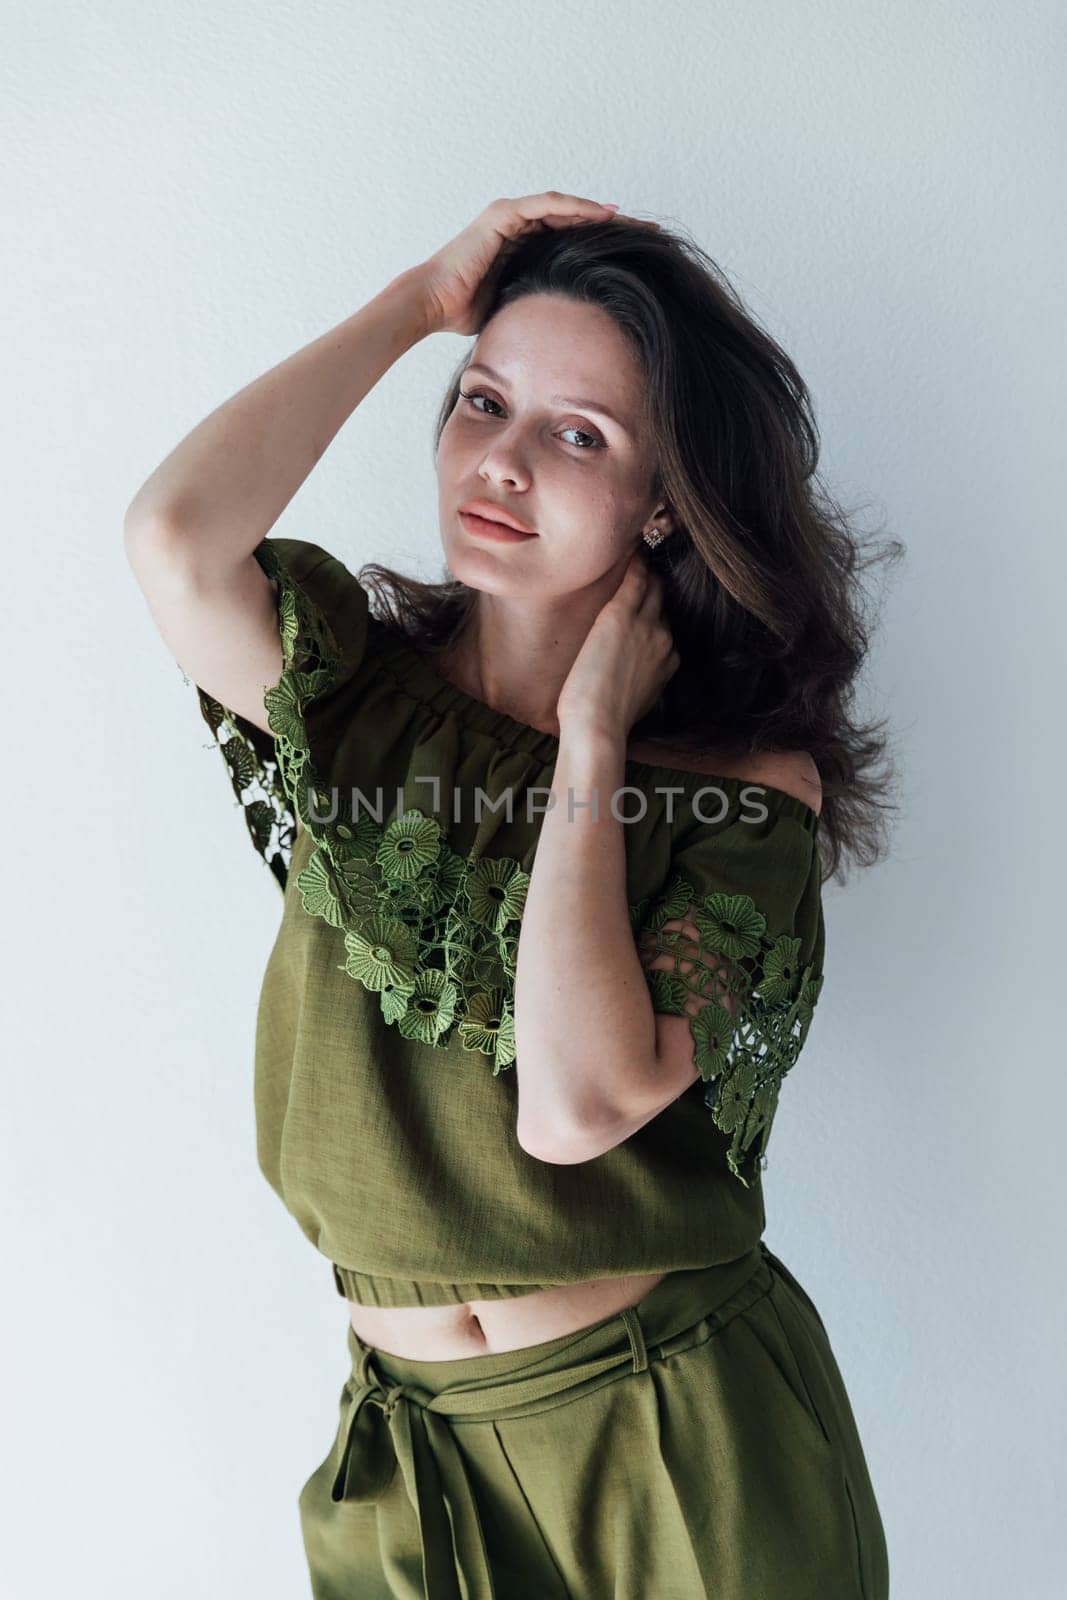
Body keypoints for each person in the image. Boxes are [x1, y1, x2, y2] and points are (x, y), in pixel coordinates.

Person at [125, 192, 897, 1599]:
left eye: (578, 434)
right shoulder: (350, 699)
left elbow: (575, 1103)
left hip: (674, 1443)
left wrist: (594, 745)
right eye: (483, 402)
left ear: (666, 503)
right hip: (413, 1452)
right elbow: (175, 539)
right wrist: (424, 300)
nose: (503, 461)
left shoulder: (737, 797)